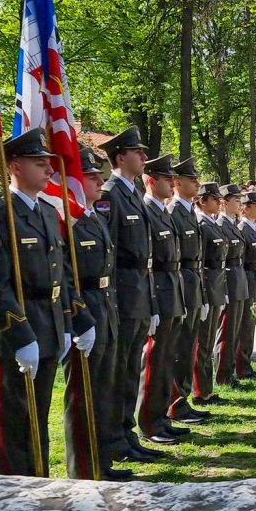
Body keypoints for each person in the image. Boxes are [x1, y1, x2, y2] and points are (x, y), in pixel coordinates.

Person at [0, 127, 94, 476]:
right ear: (13, 167)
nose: (48, 169)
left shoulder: (45, 211)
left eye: (48, 162)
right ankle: (14, 490)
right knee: (15, 420)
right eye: (38, 162)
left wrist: (72, 321)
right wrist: (20, 335)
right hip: (18, 327)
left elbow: (61, 273)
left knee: (37, 414)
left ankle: (37, 482)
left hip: (48, 323)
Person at [96, 126, 164, 465]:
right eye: (138, 152)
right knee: (118, 372)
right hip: (121, 294)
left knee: (129, 372)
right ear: (120, 156)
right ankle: (113, 440)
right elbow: (108, 253)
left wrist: (150, 301)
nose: (143, 157)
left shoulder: (133, 193)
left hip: (138, 292)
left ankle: (126, 434)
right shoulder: (109, 194)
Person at [63, 145, 128, 480]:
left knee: (104, 391)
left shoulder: (95, 218)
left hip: (105, 307)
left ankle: (101, 462)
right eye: (89, 177)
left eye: (97, 176)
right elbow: (65, 273)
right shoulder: (70, 221)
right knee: (82, 395)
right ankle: (83, 469)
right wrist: (76, 318)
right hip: (85, 308)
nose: (97, 182)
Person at [136, 156, 188, 448]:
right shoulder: (146, 211)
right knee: (153, 360)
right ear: (152, 180)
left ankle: (161, 417)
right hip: (158, 291)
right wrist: (153, 302)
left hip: (173, 290)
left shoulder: (164, 213)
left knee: (167, 358)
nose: (172, 184)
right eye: (167, 179)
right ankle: (148, 421)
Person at [166, 158, 211, 425]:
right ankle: (174, 402)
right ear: (177, 183)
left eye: (196, 179)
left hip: (194, 281)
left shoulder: (188, 212)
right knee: (178, 347)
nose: (196, 183)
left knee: (188, 345)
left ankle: (181, 399)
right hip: (181, 282)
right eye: (191, 180)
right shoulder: (174, 211)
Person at [191, 182, 229, 407]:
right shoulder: (201, 222)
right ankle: (200, 390)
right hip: (206, 286)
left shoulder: (211, 222)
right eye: (214, 199)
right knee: (203, 342)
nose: (218, 202)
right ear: (202, 201)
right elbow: (201, 262)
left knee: (207, 339)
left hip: (216, 286)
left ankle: (206, 389)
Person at [215, 184, 249, 389]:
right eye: (236, 200)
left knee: (234, 330)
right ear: (224, 202)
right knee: (226, 331)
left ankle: (229, 371)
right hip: (229, 280)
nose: (240, 204)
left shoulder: (232, 224)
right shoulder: (221, 224)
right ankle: (223, 374)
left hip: (238, 279)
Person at [236, 191, 256, 380]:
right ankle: (241, 367)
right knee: (244, 327)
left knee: (249, 326)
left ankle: (245, 365)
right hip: (245, 280)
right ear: (246, 208)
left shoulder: (253, 228)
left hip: (253, 279)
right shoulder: (242, 229)